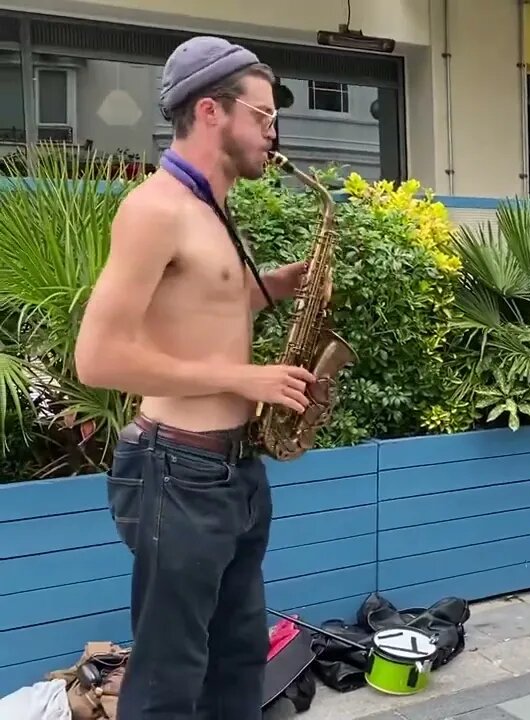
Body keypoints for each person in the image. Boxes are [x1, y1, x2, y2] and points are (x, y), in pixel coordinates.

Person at [74, 36, 317, 720]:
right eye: (264, 116)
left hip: (232, 472)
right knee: (169, 674)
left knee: (239, 655)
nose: (274, 134)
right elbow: (98, 359)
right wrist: (243, 377)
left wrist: (272, 287)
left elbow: (205, 308)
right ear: (211, 112)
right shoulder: (155, 209)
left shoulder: (212, 206)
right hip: (175, 469)